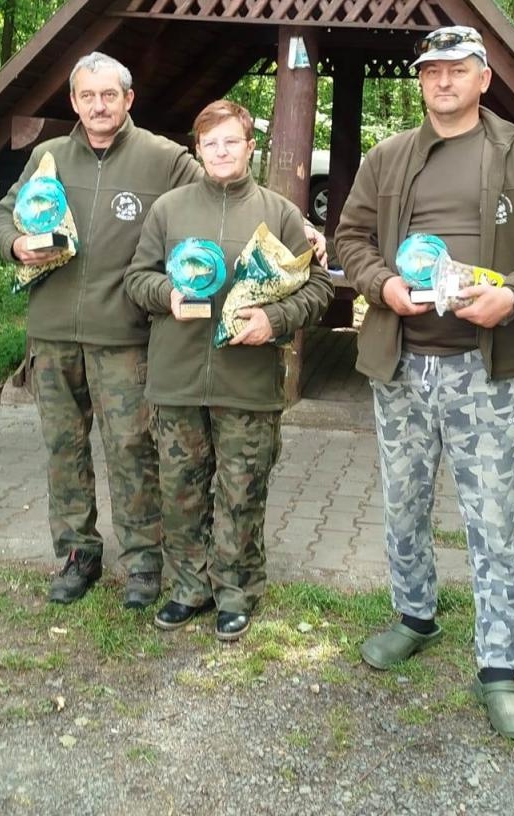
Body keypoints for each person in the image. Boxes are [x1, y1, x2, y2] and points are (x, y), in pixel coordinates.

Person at [334, 25, 514, 739]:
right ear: (421, 81)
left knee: (494, 517)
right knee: (403, 502)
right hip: (404, 360)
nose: (443, 81)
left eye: (457, 70)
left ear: (483, 78)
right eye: (432, 71)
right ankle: (415, 616)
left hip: (484, 366)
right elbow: (348, 236)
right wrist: (382, 287)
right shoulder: (390, 157)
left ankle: (500, 668)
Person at [0, 53, 202, 609]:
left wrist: (295, 225)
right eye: (88, 96)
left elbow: (219, 198)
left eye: (110, 95)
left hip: (125, 337)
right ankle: (78, 553)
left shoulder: (163, 159)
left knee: (132, 449)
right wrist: (14, 243)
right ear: (74, 102)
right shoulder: (49, 156)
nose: (99, 105)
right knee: (64, 448)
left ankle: (143, 562)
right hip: (53, 333)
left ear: (128, 99)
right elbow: (2, 215)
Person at [125, 100, 333, 641]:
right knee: (181, 489)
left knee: (242, 489)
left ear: (249, 147)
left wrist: (275, 318)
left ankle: (236, 590)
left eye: (231, 142)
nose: (221, 152)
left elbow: (319, 287)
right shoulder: (168, 210)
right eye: (211, 143)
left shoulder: (281, 213)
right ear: (198, 149)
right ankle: (188, 587)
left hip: (248, 381)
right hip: (176, 379)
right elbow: (136, 279)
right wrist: (167, 292)